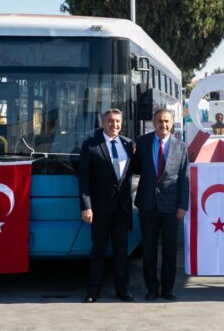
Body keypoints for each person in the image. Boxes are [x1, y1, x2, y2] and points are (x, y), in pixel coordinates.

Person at [132, 109, 189, 301]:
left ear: (172, 124)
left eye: (166, 121)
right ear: (153, 122)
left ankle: (168, 289)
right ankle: (152, 289)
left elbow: (184, 178)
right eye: (159, 121)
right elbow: (134, 168)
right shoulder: (141, 143)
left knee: (170, 250)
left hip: (172, 208)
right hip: (147, 206)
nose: (162, 125)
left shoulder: (181, 147)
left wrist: (183, 206)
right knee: (149, 250)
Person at [78, 108, 134, 303]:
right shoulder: (91, 146)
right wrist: (86, 206)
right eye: (110, 121)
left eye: (118, 121)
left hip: (122, 209)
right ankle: (93, 290)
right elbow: (84, 179)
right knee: (98, 251)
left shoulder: (128, 144)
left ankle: (123, 289)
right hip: (99, 209)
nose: (114, 125)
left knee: (121, 252)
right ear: (103, 123)